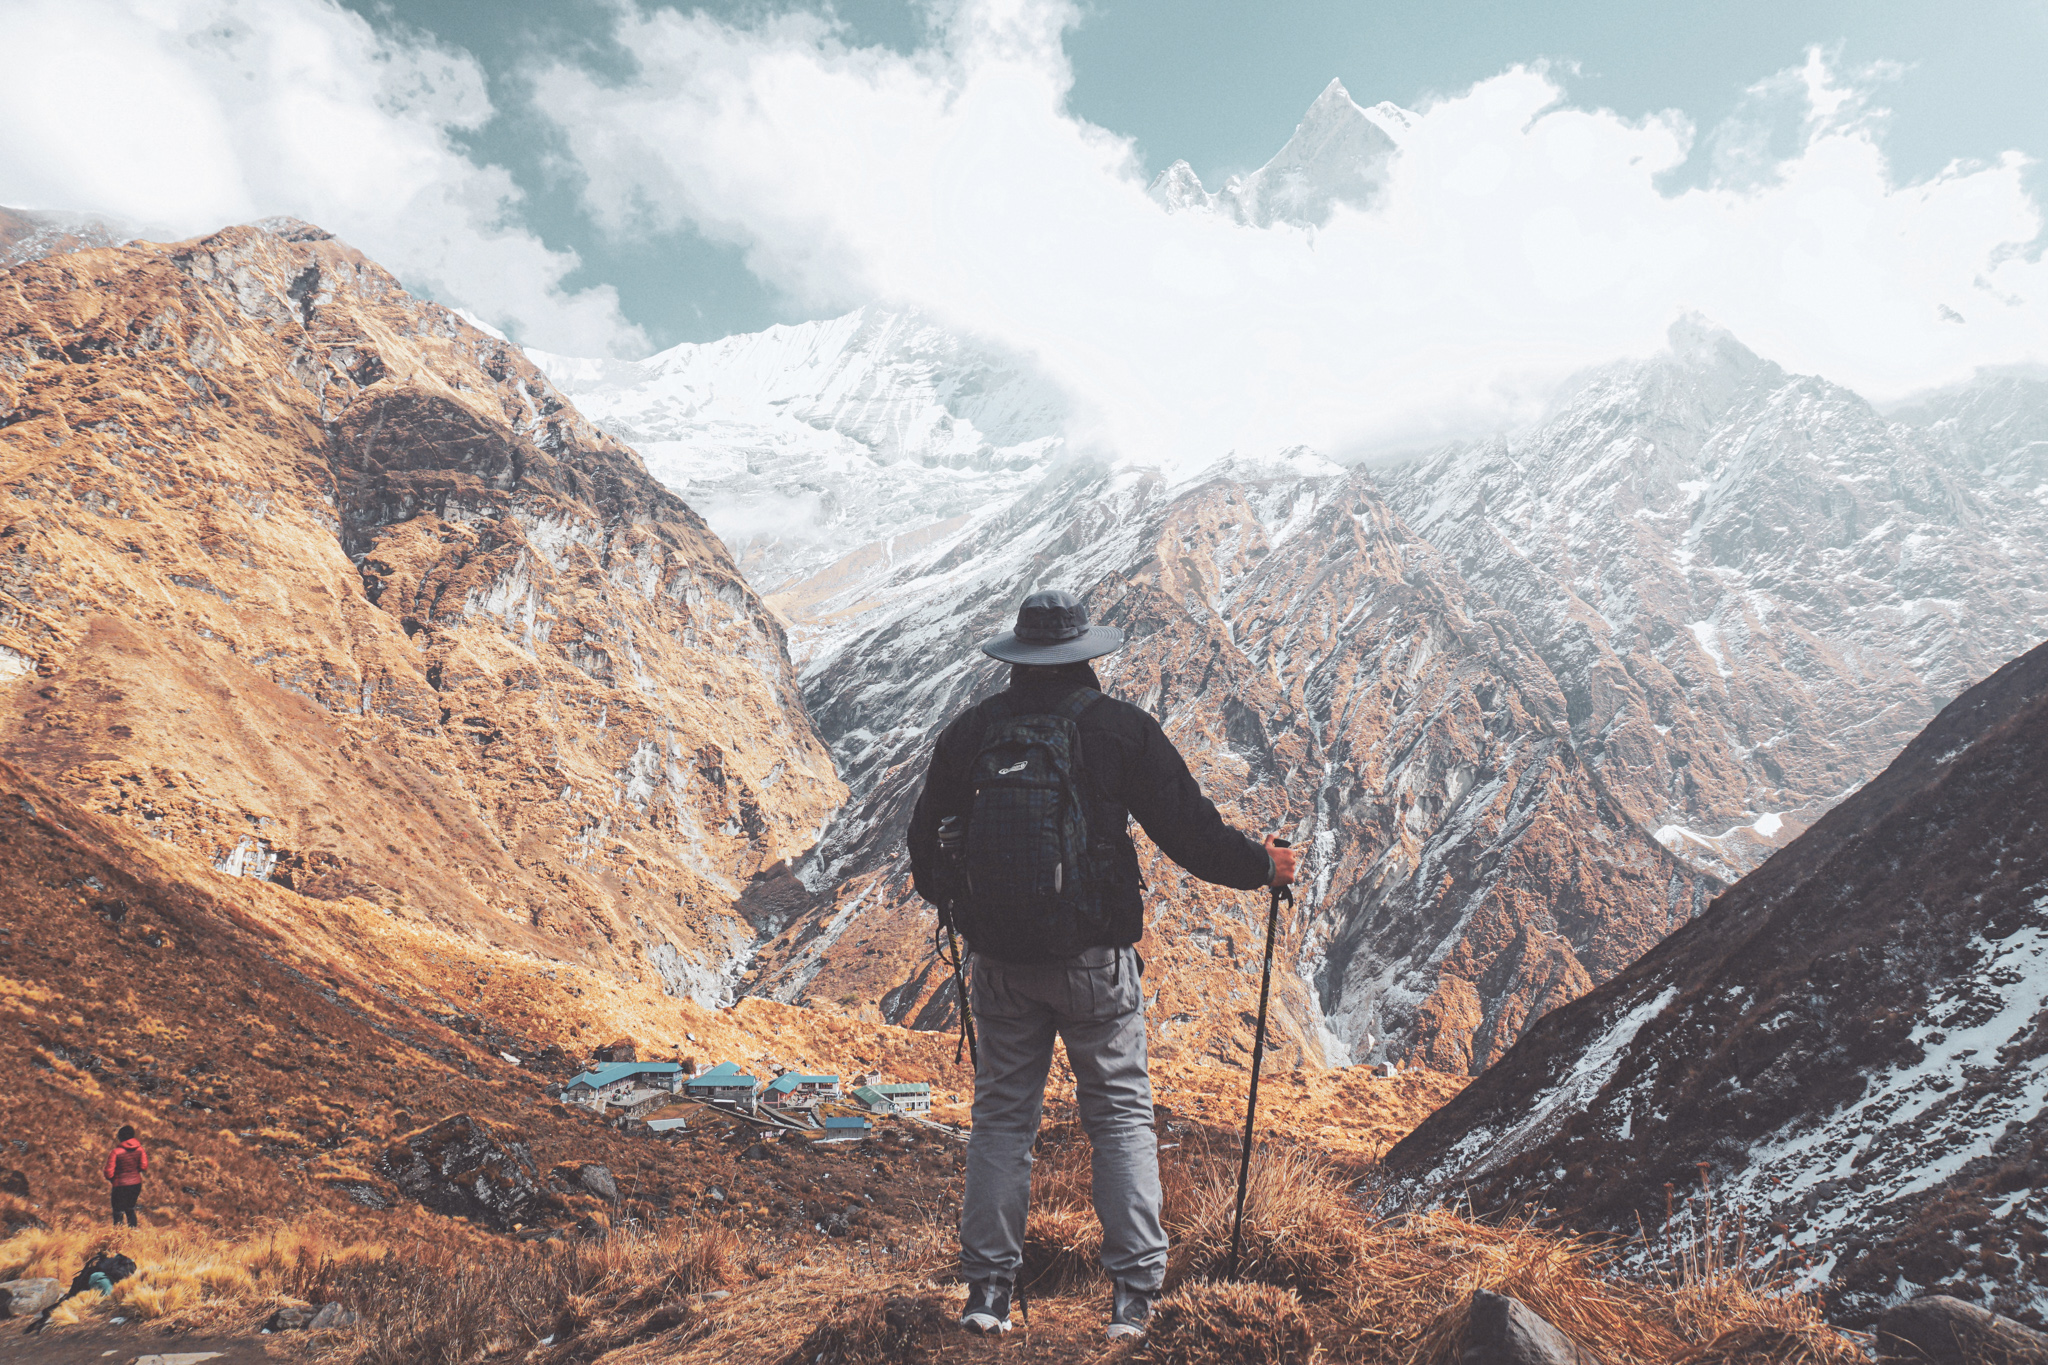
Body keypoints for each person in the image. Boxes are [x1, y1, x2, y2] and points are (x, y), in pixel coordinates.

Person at [908, 589, 1297, 1342]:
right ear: (1084, 652)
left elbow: (926, 850)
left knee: (1000, 1121)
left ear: (1018, 657)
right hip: (1094, 964)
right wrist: (1265, 867)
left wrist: (970, 904)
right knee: (1118, 1116)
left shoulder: (971, 733)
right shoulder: (1119, 730)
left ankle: (988, 1292)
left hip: (999, 966)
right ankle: (1132, 1300)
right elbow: (1193, 834)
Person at [103, 1124, 146, 1227]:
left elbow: (108, 1172)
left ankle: (118, 1237)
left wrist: (114, 1179)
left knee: (118, 1211)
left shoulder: (116, 1152)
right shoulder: (140, 1150)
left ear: (121, 1137)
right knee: (130, 1209)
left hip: (120, 1185)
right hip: (135, 1184)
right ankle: (133, 1235)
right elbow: (144, 1166)